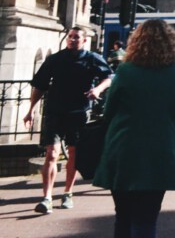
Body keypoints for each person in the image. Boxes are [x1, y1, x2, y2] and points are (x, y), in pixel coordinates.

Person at [92, 19, 175, 238]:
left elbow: (109, 111)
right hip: (161, 149)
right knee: (146, 219)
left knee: (123, 216)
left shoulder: (126, 70)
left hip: (124, 147)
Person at [24, 26, 112, 214]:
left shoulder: (92, 59)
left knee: (74, 152)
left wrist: (98, 90)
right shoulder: (55, 59)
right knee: (52, 153)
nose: (72, 40)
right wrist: (30, 109)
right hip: (55, 110)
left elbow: (109, 77)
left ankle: (67, 192)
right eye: (70, 37)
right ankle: (46, 197)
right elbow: (39, 85)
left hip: (79, 111)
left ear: (84, 40)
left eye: (76, 37)